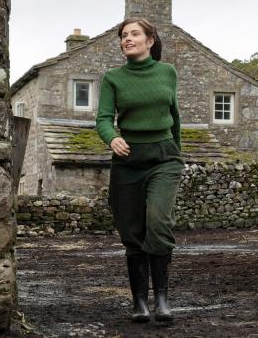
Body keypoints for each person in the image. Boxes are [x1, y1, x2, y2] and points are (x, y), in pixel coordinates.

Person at [95, 17, 184, 322]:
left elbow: (175, 117)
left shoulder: (168, 73)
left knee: (158, 223)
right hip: (128, 159)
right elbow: (103, 119)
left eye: (134, 34)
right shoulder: (113, 78)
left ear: (150, 41)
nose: (127, 39)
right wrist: (113, 138)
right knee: (131, 232)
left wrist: (177, 152)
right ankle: (139, 303)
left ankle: (161, 300)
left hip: (163, 158)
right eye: (123, 35)